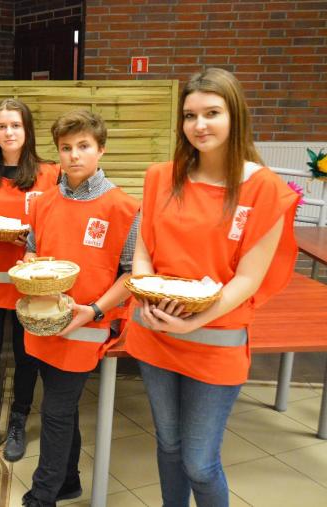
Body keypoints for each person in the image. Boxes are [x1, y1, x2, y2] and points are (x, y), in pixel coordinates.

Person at [125, 68, 298, 507]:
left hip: (216, 338)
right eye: (190, 115)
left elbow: (248, 279)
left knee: (200, 462)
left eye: (212, 113)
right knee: (168, 445)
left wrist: (194, 321)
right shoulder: (161, 177)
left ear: (235, 115)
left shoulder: (264, 190)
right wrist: (147, 296)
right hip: (154, 330)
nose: (199, 125)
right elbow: (143, 253)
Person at [20, 111, 140, 507]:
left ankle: (42, 495)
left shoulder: (124, 207)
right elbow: (33, 249)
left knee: (55, 410)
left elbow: (131, 274)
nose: (74, 155)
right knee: (61, 407)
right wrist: (29, 265)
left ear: (101, 149)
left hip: (87, 322)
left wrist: (95, 310)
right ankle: (68, 481)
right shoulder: (44, 202)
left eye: (83, 146)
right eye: (66, 148)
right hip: (45, 321)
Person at [0, 98, 59, 461]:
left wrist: (33, 239)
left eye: (15, 125)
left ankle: (18, 417)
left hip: (29, 283)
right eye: (2, 126)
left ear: (27, 130)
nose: (9, 132)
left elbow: (57, 222)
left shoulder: (50, 174)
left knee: (26, 353)